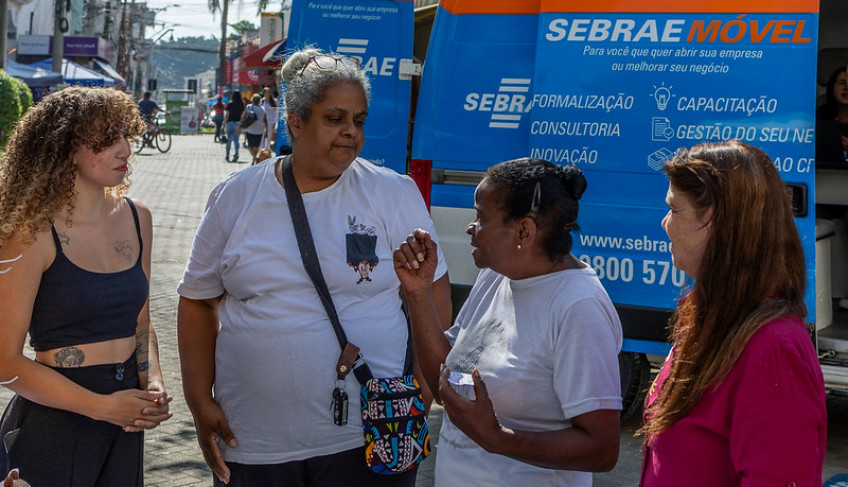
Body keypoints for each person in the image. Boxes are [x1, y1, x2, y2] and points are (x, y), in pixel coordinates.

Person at [177, 47, 452, 487]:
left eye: (358, 121)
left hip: (372, 435)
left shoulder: (393, 193)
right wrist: (197, 397)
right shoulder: (236, 196)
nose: (350, 133)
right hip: (255, 438)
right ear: (296, 123)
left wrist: (420, 385)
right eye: (334, 118)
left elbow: (432, 291)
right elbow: (197, 300)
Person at [393, 157, 623, 486]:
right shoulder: (495, 276)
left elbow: (602, 450)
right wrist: (417, 294)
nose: (470, 227)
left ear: (524, 231)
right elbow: (449, 389)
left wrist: (499, 439)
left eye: (481, 217)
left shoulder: (578, 306)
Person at [0, 86, 173, 485]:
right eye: (106, 139)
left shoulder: (137, 218)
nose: (126, 149)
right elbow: (5, 360)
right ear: (64, 149)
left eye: (127, 134)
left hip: (124, 421)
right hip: (58, 421)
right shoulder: (32, 233)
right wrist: (99, 407)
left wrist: (154, 385)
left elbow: (142, 324)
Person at [640, 141, 827, 486]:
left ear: (713, 220)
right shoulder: (708, 315)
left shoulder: (772, 349)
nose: (665, 223)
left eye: (675, 209)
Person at [241, 93, 268, 165]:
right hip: (260, 130)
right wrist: (267, 131)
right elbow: (265, 120)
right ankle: (254, 160)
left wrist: (240, 125)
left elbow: (243, 116)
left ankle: (255, 157)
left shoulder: (249, 107)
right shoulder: (263, 109)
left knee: (250, 146)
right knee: (256, 147)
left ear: (252, 99)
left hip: (250, 129)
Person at [223, 91, 245, 162]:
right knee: (236, 140)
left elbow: (227, 115)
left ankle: (227, 155)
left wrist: (224, 124)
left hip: (229, 123)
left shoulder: (230, 104)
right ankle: (236, 153)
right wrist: (240, 124)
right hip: (237, 123)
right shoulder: (241, 104)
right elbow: (242, 116)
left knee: (229, 140)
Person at [260, 86, 279, 152]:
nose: (267, 94)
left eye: (269, 93)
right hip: (263, 122)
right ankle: (261, 151)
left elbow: (276, 113)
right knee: (262, 137)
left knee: (268, 137)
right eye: (266, 93)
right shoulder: (261, 101)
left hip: (271, 122)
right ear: (264, 93)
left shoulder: (275, 101)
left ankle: (267, 151)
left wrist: (275, 123)